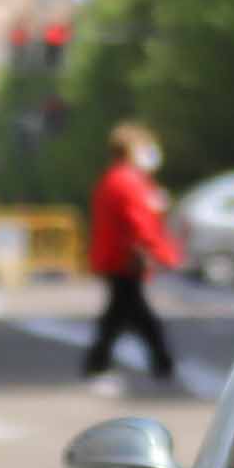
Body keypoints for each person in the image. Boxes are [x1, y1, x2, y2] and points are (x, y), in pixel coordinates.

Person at [82, 122, 183, 388]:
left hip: (117, 257)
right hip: (125, 259)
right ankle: (161, 362)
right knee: (136, 314)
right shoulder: (128, 181)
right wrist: (164, 253)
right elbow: (140, 222)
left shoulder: (116, 178)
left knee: (120, 314)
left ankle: (99, 361)